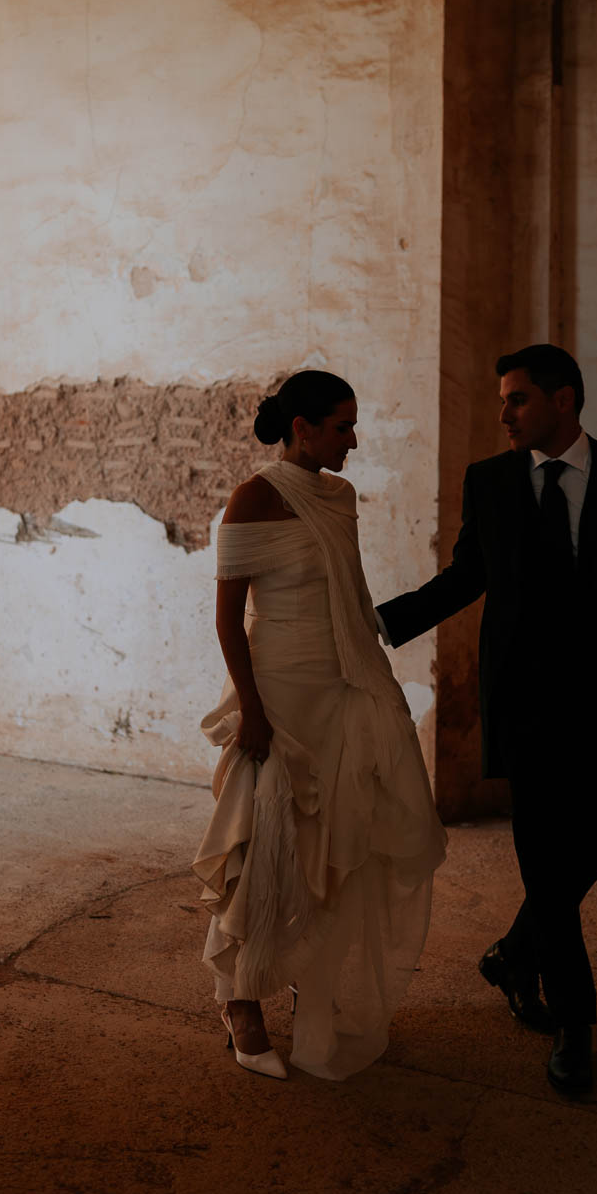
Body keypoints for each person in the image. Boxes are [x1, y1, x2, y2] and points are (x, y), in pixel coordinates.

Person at [377, 344, 597, 1097]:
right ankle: (574, 1025)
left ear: (564, 401)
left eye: (517, 399)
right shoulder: (490, 483)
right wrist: (378, 624)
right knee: (545, 863)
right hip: (524, 701)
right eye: (503, 399)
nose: (502, 413)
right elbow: (468, 575)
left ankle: (512, 954)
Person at [194, 370, 446, 1082]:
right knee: (262, 847)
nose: (353, 440)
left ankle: (312, 980)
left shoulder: (338, 497)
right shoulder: (254, 497)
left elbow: (352, 597)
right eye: (341, 426)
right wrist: (250, 707)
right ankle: (240, 1001)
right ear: (301, 429)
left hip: (339, 691)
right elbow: (227, 618)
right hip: (276, 696)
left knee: (336, 844)